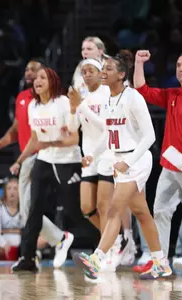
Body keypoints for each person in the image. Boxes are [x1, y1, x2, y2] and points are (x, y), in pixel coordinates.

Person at [73, 50, 172, 281]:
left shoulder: (133, 97)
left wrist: (128, 162)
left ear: (121, 74)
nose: (103, 72)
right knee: (142, 212)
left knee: (114, 208)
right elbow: (109, 133)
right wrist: (93, 155)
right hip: (120, 161)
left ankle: (97, 259)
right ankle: (161, 263)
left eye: (108, 69)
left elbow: (149, 137)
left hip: (137, 160)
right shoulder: (109, 98)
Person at [0, 59, 74, 268]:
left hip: (56, 155)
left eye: (37, 72)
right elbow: (17, 130)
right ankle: (36, 252)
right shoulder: (23, 99)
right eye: (28, 71)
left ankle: (51, 243)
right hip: (32, 157)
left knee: (54, 208)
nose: (31, 75)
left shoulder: (57, 101)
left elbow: (70, 131)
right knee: (29, 210)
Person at [9, 67, 84, 272]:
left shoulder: (63, 103)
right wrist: (20, 160)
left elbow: (74, 139)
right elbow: (35, 140)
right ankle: (27, 258)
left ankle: (103, 248)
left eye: (43, 77)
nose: (37, 80)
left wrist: (51, 143)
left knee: (74, 209)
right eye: (36, 78)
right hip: (43, 160)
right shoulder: (33, 106)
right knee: (34, 210)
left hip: (67, 161)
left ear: (53, 81)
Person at [68, 59, 134, 270]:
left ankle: (108, 251)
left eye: (91, 71)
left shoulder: (107, 94)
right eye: (83, 71)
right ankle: (115, 238)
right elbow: (73, 127)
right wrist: (73, 109)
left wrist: (81, 106)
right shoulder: (82, 97)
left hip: (107, 153)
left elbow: (105, 126)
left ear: (100, 73)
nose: (87, 74)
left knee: (104, 206)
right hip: (89, 156)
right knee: (87, 208)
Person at [133, 49, 182, 272]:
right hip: (170, 165)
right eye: (179, 65)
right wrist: (138, 63)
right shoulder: (172, 94)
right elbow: (142, 90)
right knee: (161, 210)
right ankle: (161, 263)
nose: (180, 69)